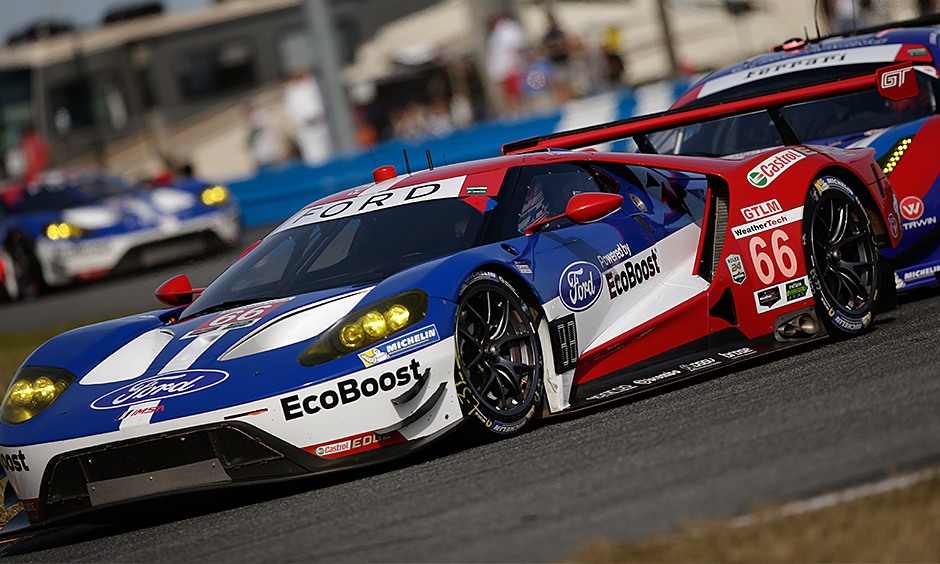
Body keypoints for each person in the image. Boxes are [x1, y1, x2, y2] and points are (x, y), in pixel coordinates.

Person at [284, 68, 331, 166]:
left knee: (327, 150)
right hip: (306, 127)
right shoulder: (292, 91)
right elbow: (291, 110)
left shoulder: (313, 84)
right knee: (312, 155)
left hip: (319, 123)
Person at [486, 12, 527, 116]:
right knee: (505, 93)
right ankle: (511, 111)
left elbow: (517, 46)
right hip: (501, 68)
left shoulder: (509, 30)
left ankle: (519, 111)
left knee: (515, 92)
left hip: (510, 65)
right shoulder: (495, 34)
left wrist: (516, 63)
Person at [245, 103, 278, 170]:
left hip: (267, 153)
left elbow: (260, 128)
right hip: (259, 157)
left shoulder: (260, 116)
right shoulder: (249, 123)